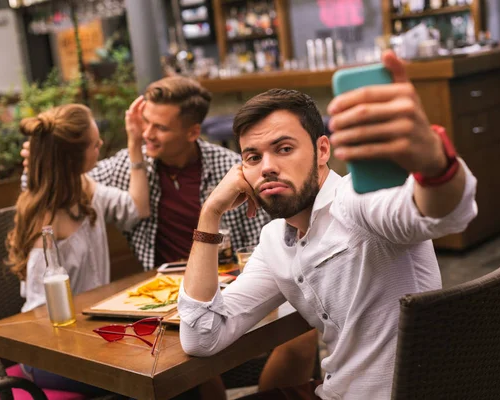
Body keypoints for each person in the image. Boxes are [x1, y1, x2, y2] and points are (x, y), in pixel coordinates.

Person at [177, 50, 478, 399]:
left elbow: (443, 211)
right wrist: (210, 212)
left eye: (284, 148)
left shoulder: (355, 200)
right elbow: (202, 336)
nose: (267, 167)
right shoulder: (275, 240)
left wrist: (435, 162)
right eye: (253, 157)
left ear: (322, 151)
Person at [20, 76, 319, 398]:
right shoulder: (128, 167)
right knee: (190, 347)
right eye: (145, 123)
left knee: (300, 336)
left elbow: (270, 233)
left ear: (192, 132)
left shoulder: (232, 166)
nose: (147, 133)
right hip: (158, 300)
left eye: (159, 127)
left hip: (237, 281)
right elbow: (57, 182)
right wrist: (41, 156)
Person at [6, 103, 150, 394]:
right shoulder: (45, 224)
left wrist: (134, 144)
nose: (100, 145)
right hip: (50, 355)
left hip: (91, 338)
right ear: (71, 158)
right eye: (94, 144)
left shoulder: (85, 187)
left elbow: (136, 209)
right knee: (141, 374)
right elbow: (38, 314)